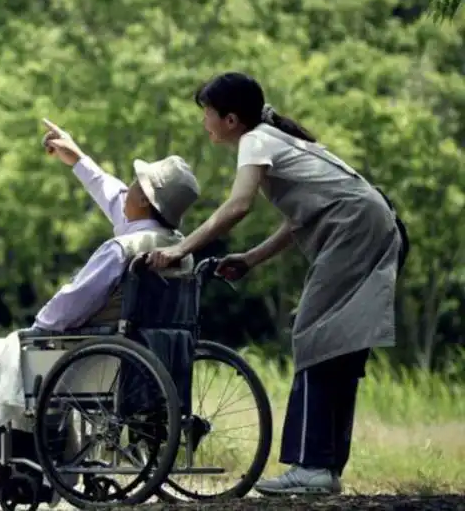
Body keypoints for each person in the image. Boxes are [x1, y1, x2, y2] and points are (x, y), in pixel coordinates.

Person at [148, 72, 404, 496]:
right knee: (336, 344)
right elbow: (298, 220)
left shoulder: (255, 141)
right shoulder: (272, 138)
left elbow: (237, 206)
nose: (204, 122)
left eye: (206, 114)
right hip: (367, 220)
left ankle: (313, 467)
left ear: (230, 119)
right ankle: (324, 467)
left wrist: (180, 250)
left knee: (314, 336)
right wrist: (250, 259)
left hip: (355, 226)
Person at [0, 118, 200, 491]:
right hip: (148, 352)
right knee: (23, 354)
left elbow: (73, 301)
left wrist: (40, 325)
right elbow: (113, 196)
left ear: (143, 198)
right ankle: (17, 460)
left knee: (1, 352)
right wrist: (77, 158)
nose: (125, 189)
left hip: (100, 354)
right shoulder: (175, 247)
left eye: (133, 186)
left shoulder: (121, 249)